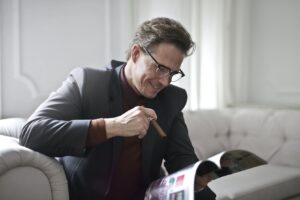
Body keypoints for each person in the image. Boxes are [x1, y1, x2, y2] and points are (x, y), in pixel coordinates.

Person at [20, 17, 209, 200]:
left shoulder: (171, 99)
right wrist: (113, 126)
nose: (165, 82)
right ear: (136, 53)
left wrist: (199, 181)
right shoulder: (88, 83)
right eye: (159, 68)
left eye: (173, 73)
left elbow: (181, 158)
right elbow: (32, 133)